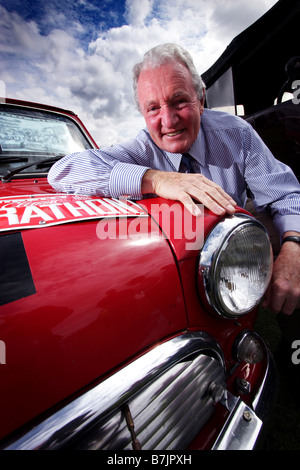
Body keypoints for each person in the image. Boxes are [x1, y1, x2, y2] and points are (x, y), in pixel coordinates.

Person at [48, 43, 300, 318]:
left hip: (234, 250)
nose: (168, 121)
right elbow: (62, 170)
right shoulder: (140, 149)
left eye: (179, 101)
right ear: (143, 114)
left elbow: (285, 195)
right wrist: (154, 178)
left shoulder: (236, 133)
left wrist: (293, 250)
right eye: (153, 108)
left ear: (201, 99)